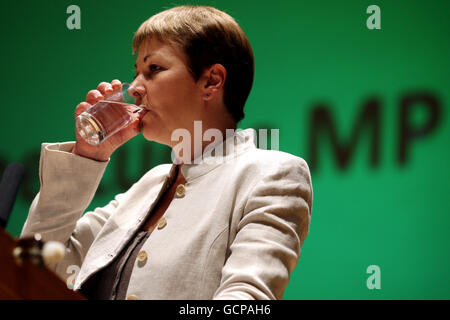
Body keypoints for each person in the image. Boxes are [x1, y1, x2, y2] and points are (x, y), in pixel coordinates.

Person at [21, 5, 313, 300]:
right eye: (136, 73)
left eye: (154, 69)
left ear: (211, 81)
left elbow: (246, 301)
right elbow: (34, 266)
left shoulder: (272, 174)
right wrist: (87, 157)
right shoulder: (147, 186)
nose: (134, 87)